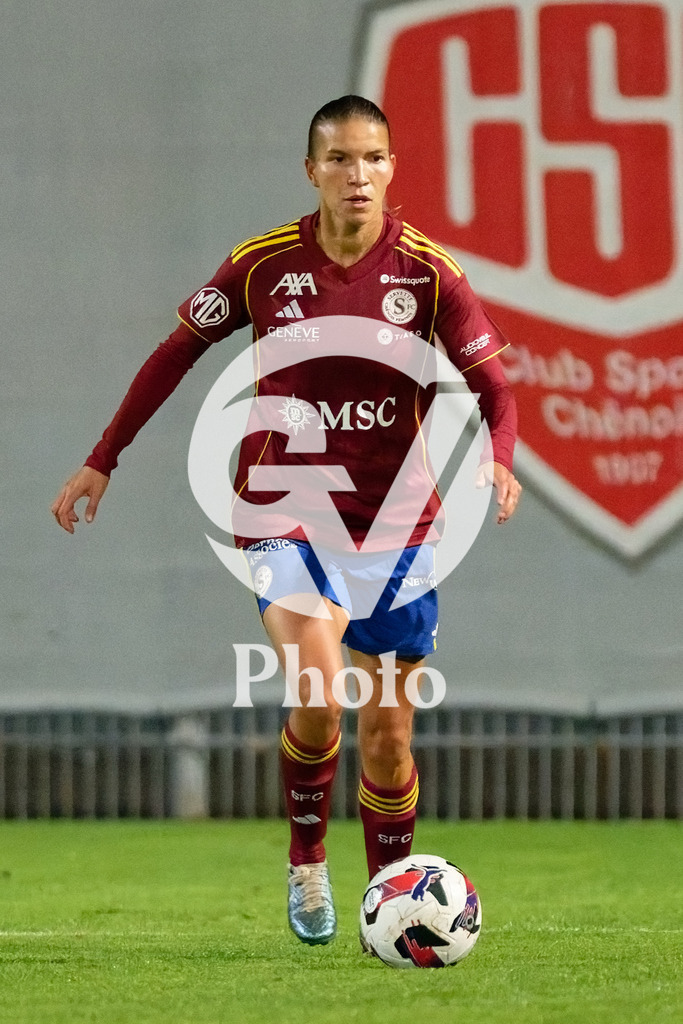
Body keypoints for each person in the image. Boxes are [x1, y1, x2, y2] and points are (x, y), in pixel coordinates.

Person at [52, 95, 521, 947]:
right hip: (283, 508)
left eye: (372, 157)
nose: (356, 174)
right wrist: (102, 457)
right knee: (317, 691)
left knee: (387, 740)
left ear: (391, 169)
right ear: (309, 170)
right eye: (338, 159)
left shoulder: (427, 273)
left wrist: (500, 453)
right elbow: (174, 352)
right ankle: (307, 858)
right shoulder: (263, 265)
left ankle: (393, 897)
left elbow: (494, 384)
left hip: (397, 526)